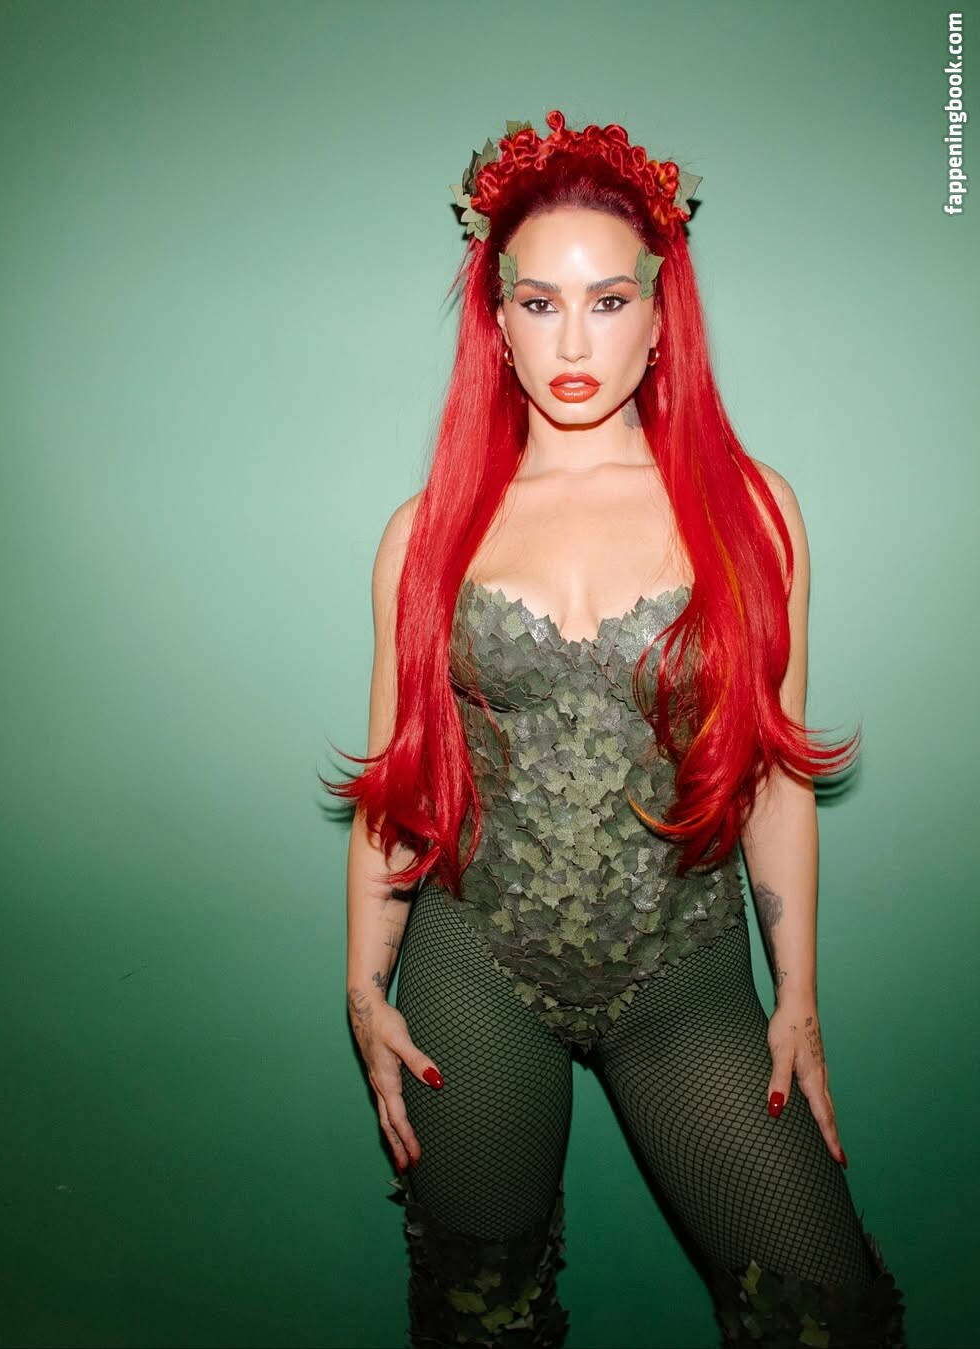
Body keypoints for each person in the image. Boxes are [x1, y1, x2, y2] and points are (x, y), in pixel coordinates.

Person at [324, 110, 907, 1348]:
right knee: (482, 1319)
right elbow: (399, 784)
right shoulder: (423, 534)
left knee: (828, 1311)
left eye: (607, 300)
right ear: (498, 320)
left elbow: (775, 778)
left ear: (659, 313)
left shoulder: (755, 512)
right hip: (475, 975)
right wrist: (363, 986)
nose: (575, 340)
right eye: (540, 304)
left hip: (682, 975)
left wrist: (797, 994)